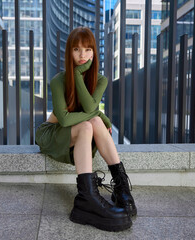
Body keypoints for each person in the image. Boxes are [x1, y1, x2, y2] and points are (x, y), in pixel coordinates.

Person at [35, 27, 136, 232]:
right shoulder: (58, 81)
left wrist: (99, 115)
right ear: (69, 53)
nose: (83, 55)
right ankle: (87, 198)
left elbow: (90, 109)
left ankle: (121, 185)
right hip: (51, 133)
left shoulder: (100, 80)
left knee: (93, 123)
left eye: (88, 49)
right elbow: (63, 119)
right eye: (77, 49)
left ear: (94, 53)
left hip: (77, 132)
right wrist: (102, 115)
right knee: (89, 123)